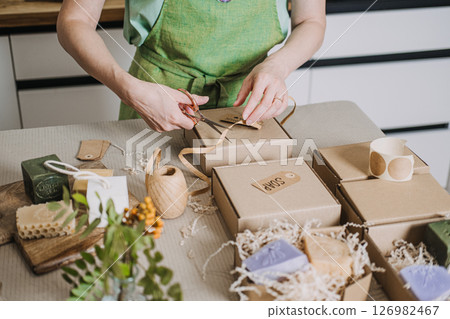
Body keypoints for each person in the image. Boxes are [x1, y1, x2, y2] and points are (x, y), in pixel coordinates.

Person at [57, 0, 325, 132]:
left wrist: (277, 66)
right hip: (154, 99)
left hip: (250, 104)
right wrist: (129, 89)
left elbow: (311, 20)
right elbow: (74, 20)